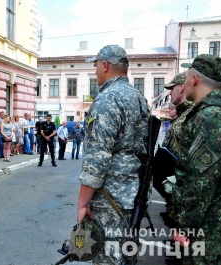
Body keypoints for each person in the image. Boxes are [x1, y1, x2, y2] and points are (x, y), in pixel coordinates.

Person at [77, 45, 149, 264]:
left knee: (108, 258)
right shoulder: (138, 98)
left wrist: (82, 204)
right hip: (132, 195)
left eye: (96, 65)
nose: (96, 70)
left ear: (105, 65)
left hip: (110, 199)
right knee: (126, 256)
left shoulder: (108, 99)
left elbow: (98, 158)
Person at [172, 54, 221, 264]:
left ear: (194, 79)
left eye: (186, 78)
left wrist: (185, 226)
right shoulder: (213, 112)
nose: (184, 83)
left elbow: (202, 180)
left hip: (211, 230)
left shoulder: (211, 117)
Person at [157, 73, 194, 226]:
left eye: (172, 88)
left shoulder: (191, 116)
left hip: (186, 191)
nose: (170, 92)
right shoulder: (183, 115)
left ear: (182, 87)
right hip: (177, 185)